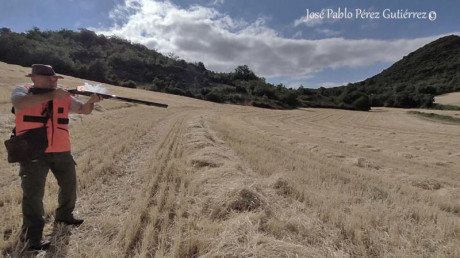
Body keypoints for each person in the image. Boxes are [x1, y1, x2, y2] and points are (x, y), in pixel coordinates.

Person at [11, 64, 103, 251]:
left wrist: (92, 101)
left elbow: (83, 110)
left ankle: (65, 216)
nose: (54, 81)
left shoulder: (64, 96)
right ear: (34, 78)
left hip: (62, 149)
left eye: (55, 78)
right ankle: (32, 238)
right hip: (32, 151)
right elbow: (19, 104)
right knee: (34, 195)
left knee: (69, 185)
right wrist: (53, 95)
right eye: (49, 78)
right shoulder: (22, 91)